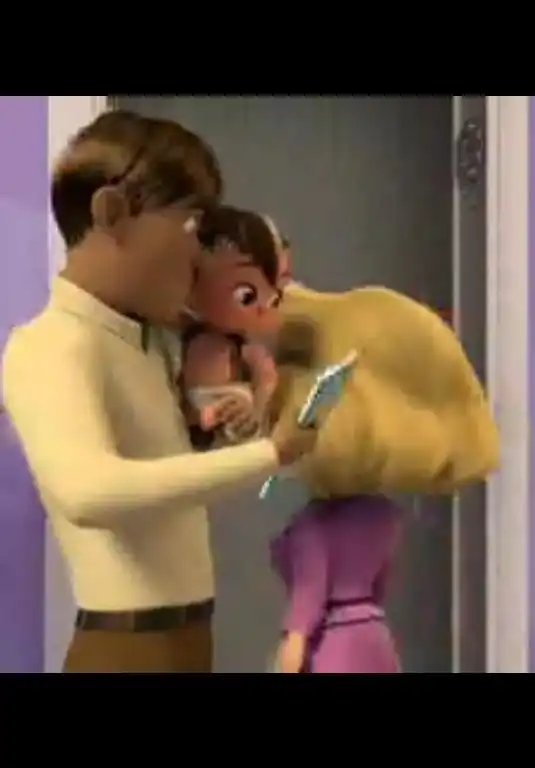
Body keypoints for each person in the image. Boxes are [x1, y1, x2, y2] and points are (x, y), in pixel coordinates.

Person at [1, 110, 320, 673]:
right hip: (127, 650)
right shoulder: (50, 345)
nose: (201, 257)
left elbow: (168, 475)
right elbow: (88, 493)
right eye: (193, 227)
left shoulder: (154, 346)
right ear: (112, 214)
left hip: (189, 640)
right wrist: (268, 455)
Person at [267, 285, 500, 673]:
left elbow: (306, 606)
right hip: (375, 641)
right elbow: (380, 585)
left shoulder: (314, 528)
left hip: (331, 647)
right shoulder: (383, 517)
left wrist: (290, 653)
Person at [182, 206, 282, 449]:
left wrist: (255, 407)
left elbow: (266, 381)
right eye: (246, 296)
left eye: (273, 298)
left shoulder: (245, 351)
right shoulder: (181, 343)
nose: (263, 309)